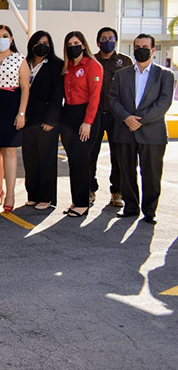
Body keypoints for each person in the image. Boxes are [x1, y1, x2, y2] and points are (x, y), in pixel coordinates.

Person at [109, 33, 175, 224]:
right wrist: (126, 118)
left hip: (152, 134)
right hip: (125, 131)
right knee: (127, 173)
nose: (141, 50)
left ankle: (150, 211)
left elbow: (164, 103)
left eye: (145, 47)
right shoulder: (121, 74)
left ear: (153, 50)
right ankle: (130, 207)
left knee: (152, 174)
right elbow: (113, 100)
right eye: (137, 47)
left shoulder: (165, 75)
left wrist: (138, 120)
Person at [0, 25, 30, 214]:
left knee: (9, 151)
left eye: (4, 36)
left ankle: (10, 194)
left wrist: (21, 113)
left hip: (12, 108)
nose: (0, 39)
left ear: (11, 39)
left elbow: (25, 88)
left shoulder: (20, 59)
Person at [60, 31, 103, 218]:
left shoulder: (93, 66)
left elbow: (95, 97)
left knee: (81, 159)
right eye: (69, 44)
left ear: (84, 45)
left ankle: (83, 203)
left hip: (86, 116)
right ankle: (76, 200)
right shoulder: (67, 67)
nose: (73, 46)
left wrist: (87, 122)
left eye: (76, 43)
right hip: (68, 114)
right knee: (73, 161)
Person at [88, 27, 132, 208]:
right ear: (98, 42)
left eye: (111, 38)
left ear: (116, 40)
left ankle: (117, 192)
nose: (108, 41)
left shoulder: (125, 61)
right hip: (95, 114)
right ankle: (89, 190)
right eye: (104, 38)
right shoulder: (91, 61)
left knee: (118, 156)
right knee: (90, 154)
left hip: (117, 116)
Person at [21, 30, 63, 210]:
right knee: (30, 158)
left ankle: (46, 197)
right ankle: (33, 194)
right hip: (27, 119)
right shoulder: (24, 63)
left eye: (45, 42)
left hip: (46, 120)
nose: (41, 45)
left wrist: (51, 119)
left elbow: (57, 95)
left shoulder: (56, 65)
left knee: (46, 159)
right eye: (38, 42)